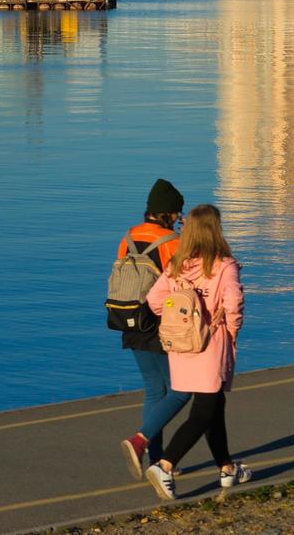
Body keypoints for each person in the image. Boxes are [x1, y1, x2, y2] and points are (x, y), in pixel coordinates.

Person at [140, 204, 249, 500]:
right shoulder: (224, 265)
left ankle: (227, 468)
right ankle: (165, 464)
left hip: (182, 345)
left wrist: (178, 320)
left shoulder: (178, 263)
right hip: (211, 344)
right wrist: (232, 329)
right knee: (203, 412)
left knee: (213, 407)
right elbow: (233, 302)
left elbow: (154, 299)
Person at [115, 180, 189, 478]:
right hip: (159, 324)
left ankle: (158, 461)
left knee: (153, 390)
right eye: (178, 213)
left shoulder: (128, 237)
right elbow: (183, 285)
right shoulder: (172, 242)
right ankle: (140, 441)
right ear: (169, 213)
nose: (178, 218)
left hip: (128, 319)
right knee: (181, 390)